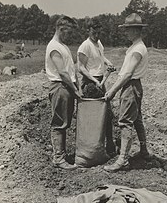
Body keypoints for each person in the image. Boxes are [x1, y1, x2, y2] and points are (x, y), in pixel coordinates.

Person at [103, 13, 150, 172]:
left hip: (130, 86)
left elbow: (128, 73)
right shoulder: (135, 47)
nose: (126, 32)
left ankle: (122, 159)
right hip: (133, 86)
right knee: (136, 120)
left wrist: (113, 90)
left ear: (136, 30)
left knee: (125, 122)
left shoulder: (138, 49)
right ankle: (144, 151)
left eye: (128, 29)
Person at [45, 16, 82, 170]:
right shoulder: (54, 47)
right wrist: (75, 90)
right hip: (60, 87)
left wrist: (76, 87)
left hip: (67, 87)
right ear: (61, 29)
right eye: (68, 32)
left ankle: (62, 153)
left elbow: (71, 70)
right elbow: (62, 72)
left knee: (64, 122)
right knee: (59, 123)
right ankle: (58, 158)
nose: (70, 36)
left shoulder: (63, 46)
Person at [77, 20, 116, 91]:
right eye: (94, 33)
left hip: (100, 79)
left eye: (99, 33)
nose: (96, 36)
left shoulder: (99, 43)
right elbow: (81, 68)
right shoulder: (85, 45)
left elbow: (100, 57)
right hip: (89, 81)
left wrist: (108, 63)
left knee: (102, 101)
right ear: (88, 31)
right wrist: (95, 81)